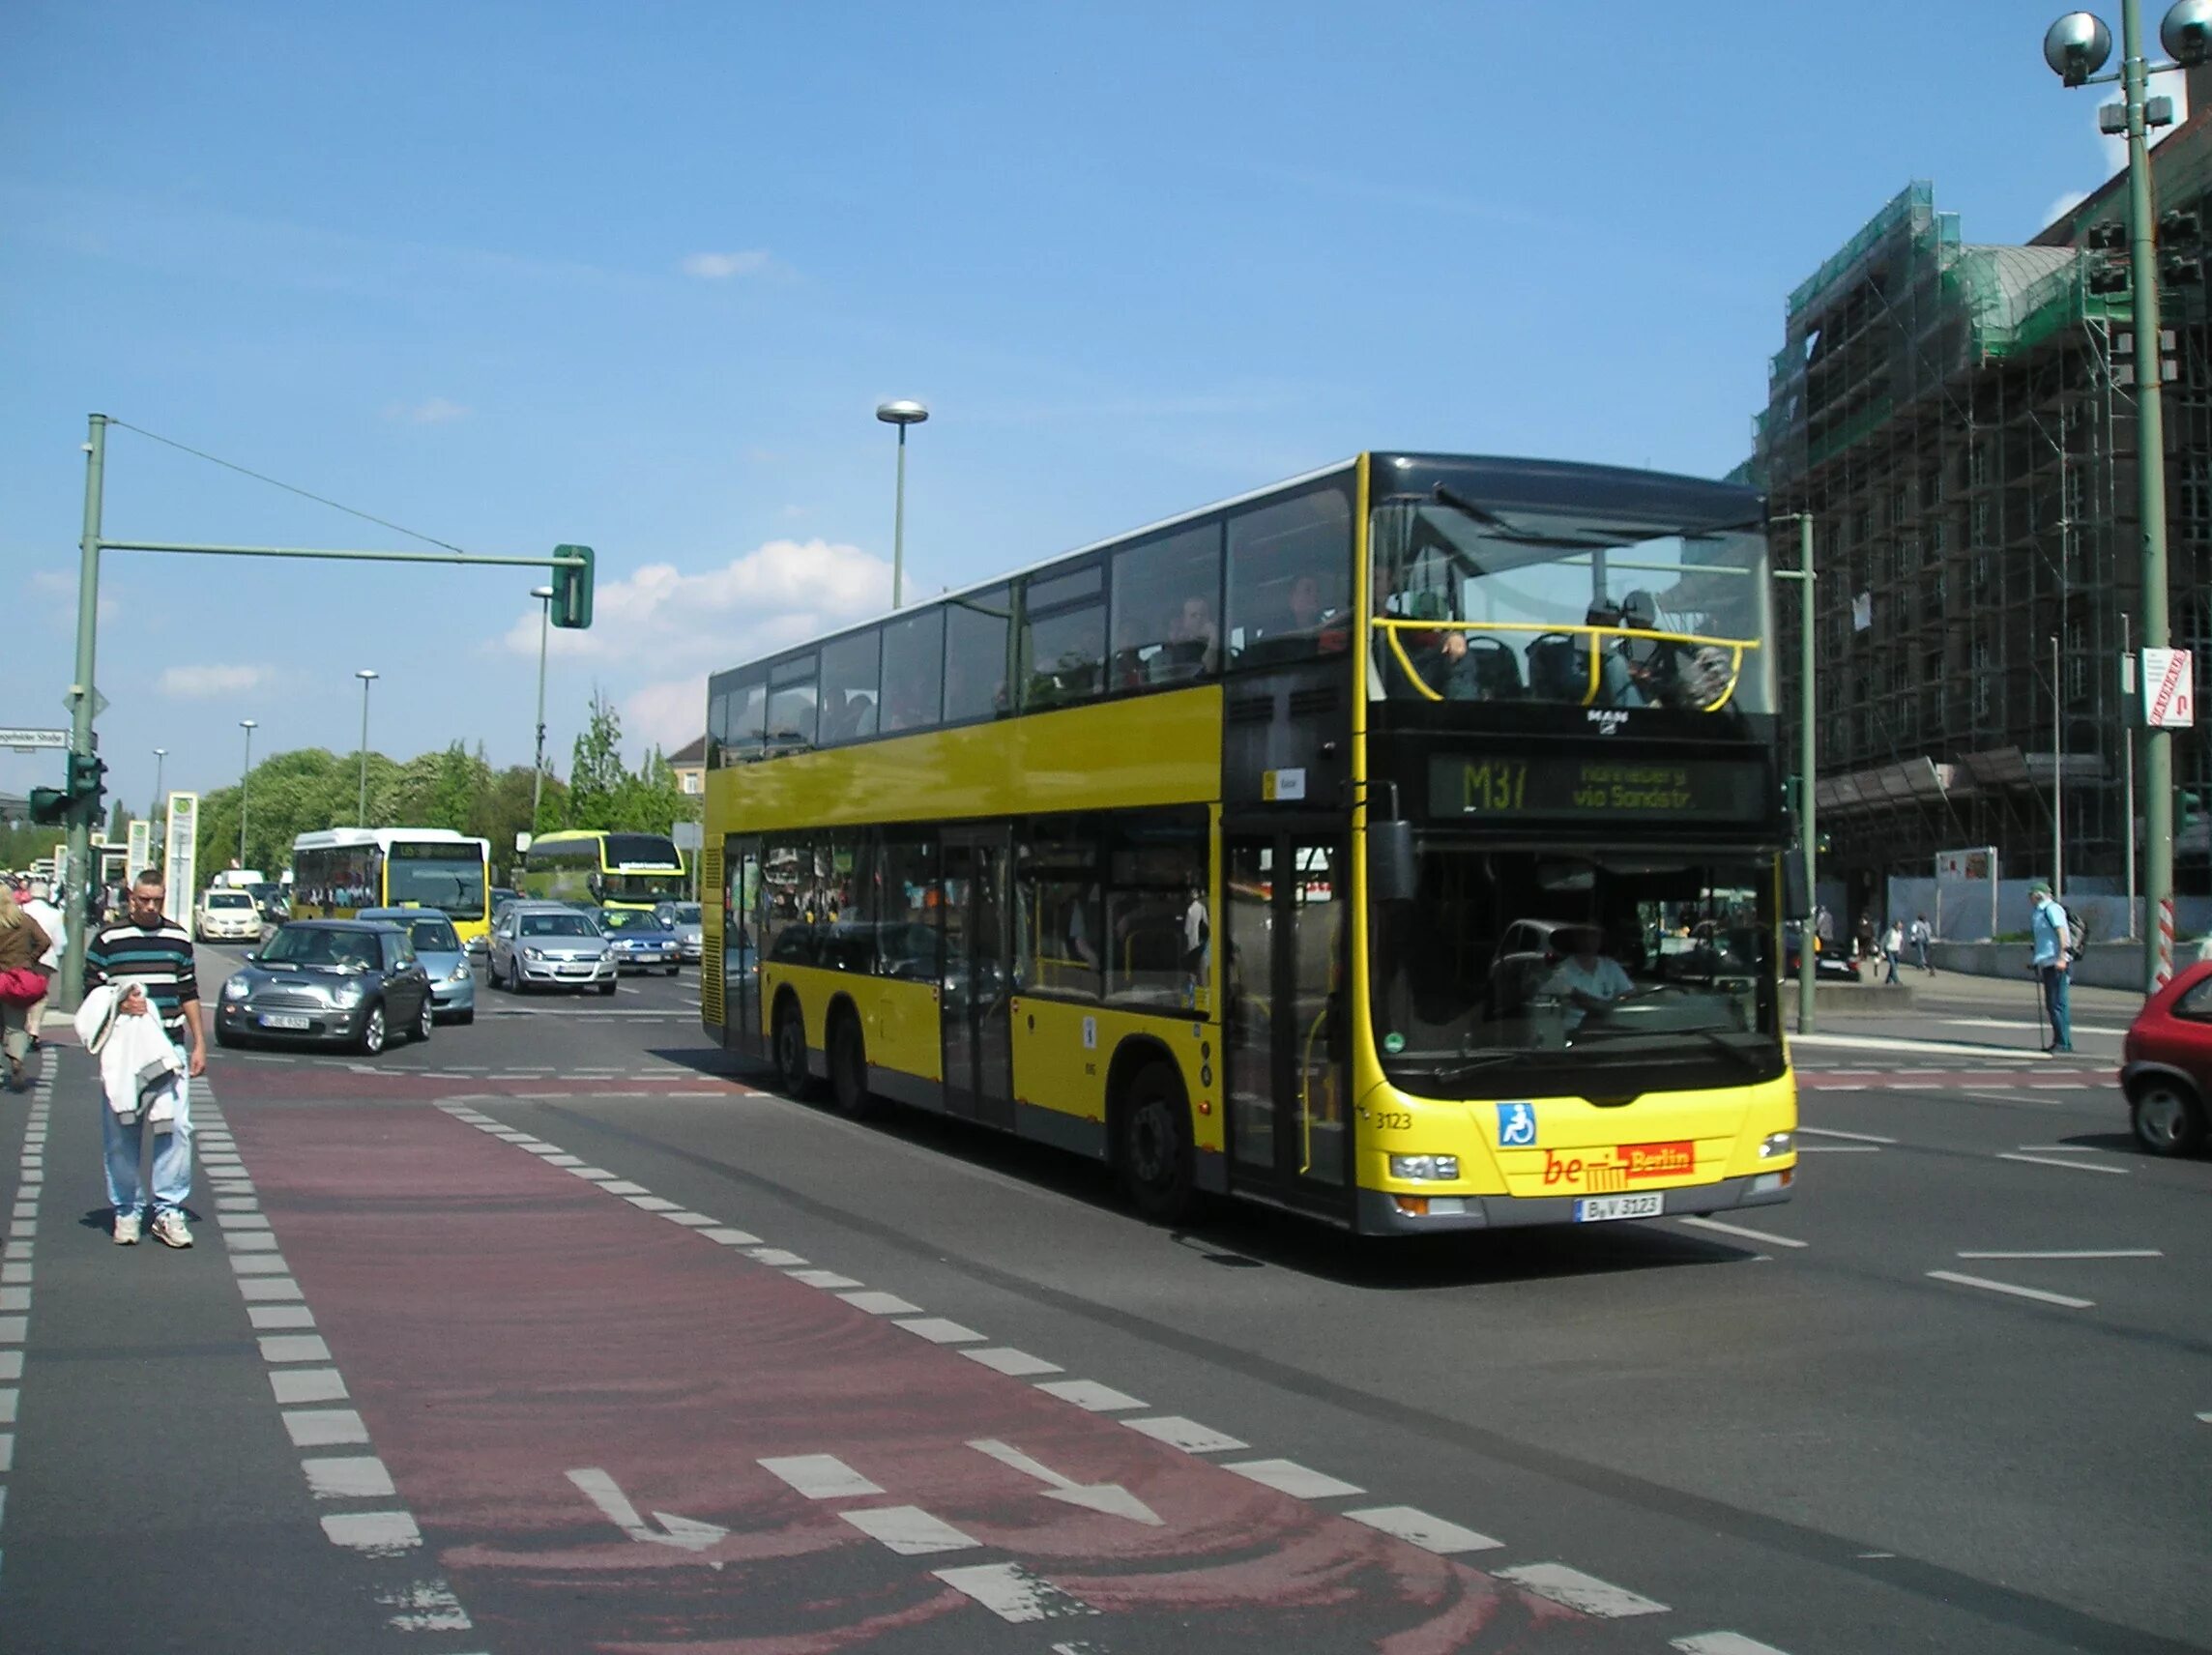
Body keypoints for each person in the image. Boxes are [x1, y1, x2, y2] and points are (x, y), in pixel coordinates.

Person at [84, 869, 208, 1246]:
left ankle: (168, 1209)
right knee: (122, 1132)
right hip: (124, 1050)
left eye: (158, 900)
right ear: (130, 897)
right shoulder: (108, 939)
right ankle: (126, 1208)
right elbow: (90, 991)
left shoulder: (177, 938)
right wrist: (121, 1001)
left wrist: (199, 1043)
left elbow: (188, 990)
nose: (151, 907)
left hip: (169, 1047)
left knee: (176, 1129)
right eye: (144, 900)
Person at [0, 887, 53, 1092]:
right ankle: (17, 1060)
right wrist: (29, 959)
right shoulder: (24, 920)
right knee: (16, 1025)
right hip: (17, 978)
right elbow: (45, 941)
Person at [15, 880, 64, 1052]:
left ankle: (20, 1029)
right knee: (40, 994)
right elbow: (60, 942)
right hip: (46, 959)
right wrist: (58, 955)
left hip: (21, 957)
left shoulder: (21, 911)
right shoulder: (56, 914)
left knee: (20, 992)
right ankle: (34, 1031)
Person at [2028, 882, 2074, 1054]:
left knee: (2057, 1004)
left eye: (2031, 895)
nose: (2029, 898)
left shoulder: (2052, 909)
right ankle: (2060, 1040)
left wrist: (2062, 957)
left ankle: (2063, 1042)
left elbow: (2062, 933)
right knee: (2053, 1004)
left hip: (2057, 962)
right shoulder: (2039, 912)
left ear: (2038, 895)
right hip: (2047, 962)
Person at [1882, 917, 1905, 985]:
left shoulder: (1900, 933)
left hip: (1896, 951)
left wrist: (1901, 949)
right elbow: (1883, 941)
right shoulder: (1890, 932)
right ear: (1896, 925)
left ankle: (1888, 980)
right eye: (1899, 925)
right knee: (1893, 966)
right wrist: (1882, 951)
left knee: (1894, 967)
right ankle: (1896, 981)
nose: (1901, 926)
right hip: (1890, 951)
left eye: (1901, 925)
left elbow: (1902, 942)